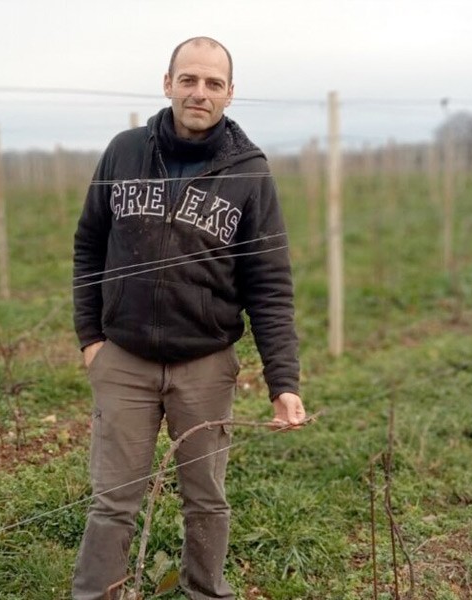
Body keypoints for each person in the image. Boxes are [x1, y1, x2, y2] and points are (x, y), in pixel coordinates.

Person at [72, 36, 306, 600]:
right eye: (189, 79)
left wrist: (284, 382)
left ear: (230, 93)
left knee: (205, 497)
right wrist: (91, 340)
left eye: (213, 83)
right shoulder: (124, 152)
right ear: (168, 82)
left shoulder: (249, 172)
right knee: (113, 499)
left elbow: (268, 282)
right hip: (123, 359)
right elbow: (89, 245)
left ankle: (205, 591)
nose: (199, 92)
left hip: (204, 363)